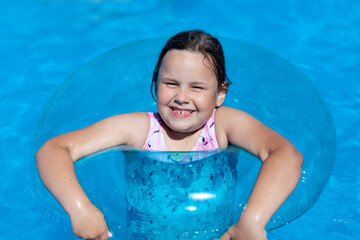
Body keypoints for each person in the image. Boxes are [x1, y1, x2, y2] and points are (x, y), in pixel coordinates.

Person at [36, 30, 303, 240]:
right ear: (155, 84)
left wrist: (252, 222)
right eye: (171, 83)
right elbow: (54, 150)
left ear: (220, 93)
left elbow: (285, 154)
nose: (181, 98)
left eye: (197, 87)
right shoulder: (139, 129)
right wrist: (80, 208)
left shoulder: (223, 125)